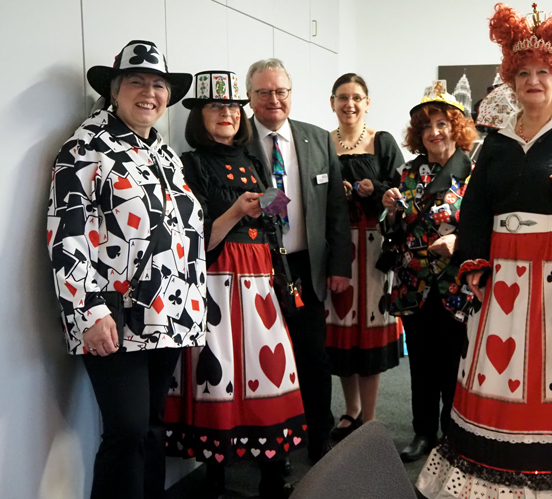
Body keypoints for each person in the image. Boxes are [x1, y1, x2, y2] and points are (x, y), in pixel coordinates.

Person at [416, 4, 552, 497]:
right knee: (498, 366)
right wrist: (473, 262)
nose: (533, 81)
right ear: (511, 81)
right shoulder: (496, 143)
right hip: (504, 274)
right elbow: (475, 207)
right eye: (524, 73)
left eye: (543, 72)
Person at [47, 40, 204, 499]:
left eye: (159, 85)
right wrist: (89, 311)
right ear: (114, 90)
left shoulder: (165, 154)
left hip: (168, 311)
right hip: (112, 312)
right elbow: (67, 234)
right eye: (137, 81)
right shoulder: (86, 147)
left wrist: (195, 307)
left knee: (152, 427)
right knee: (128, 430)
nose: (149, 93)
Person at [163, 70, 305, 499]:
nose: (227, 114)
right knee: (220, 368)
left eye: (232, 107)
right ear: (199, 115)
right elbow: (195, 239)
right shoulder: (189, 164)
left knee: (267, 370)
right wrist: (237, 212)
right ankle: (216, 476)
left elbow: (274, 219)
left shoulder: (253, 160)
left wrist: (269, 210)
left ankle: (272, 474)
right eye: (216, 106)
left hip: (260, 278)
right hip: (218, 281)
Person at [244, 58, 352, 462]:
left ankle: (318, 436)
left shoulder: (317, 139)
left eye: (281, 91)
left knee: (313, 357)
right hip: (258, 268)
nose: (273, 99)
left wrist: (339, 266)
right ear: (250, 96)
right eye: (263, 92)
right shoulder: (238, 140)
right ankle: (273, 445)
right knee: (264, 358)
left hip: (306, 266)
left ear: (291, 93)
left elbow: (336, 209)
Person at [381, 80, 477, 463]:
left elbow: (486, 227)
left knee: (454, 363)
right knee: (420, 363)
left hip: (456, 283)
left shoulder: (474, 172)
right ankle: (423, 431)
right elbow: (393, 228)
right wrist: (390, 210)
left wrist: (459, 241)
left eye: (442, 124)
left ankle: (452, 433)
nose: (434, 132)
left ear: (456, 127)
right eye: (426, 126)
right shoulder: (408, 172)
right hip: (413, 280)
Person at [324, 73, 405, 441]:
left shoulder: (382, 141)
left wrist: (377, 189)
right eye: (343, 97)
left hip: (374, 249)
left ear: (367, 102)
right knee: (342, 329)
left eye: (357, 97)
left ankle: (369, 418)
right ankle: (351, 410)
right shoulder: (324, 143)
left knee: (369, 332)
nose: (350, 104)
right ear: (332, 103)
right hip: (338, 247)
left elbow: (403, 191)